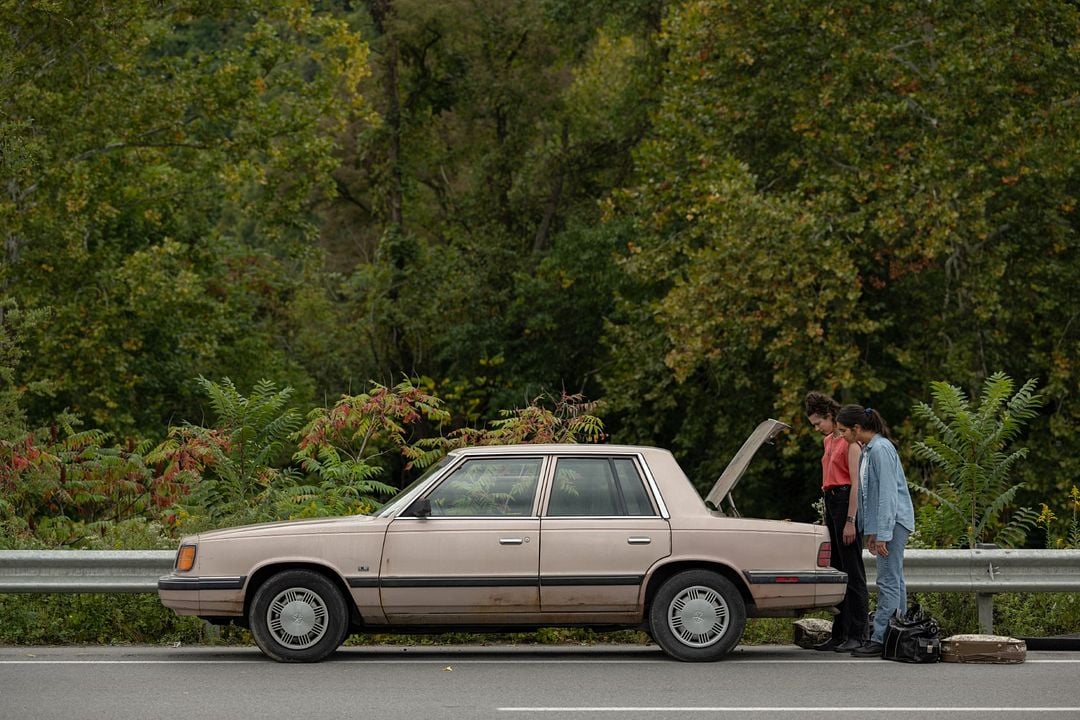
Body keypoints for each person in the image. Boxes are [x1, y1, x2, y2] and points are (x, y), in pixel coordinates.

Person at [835, 404, 915, 658]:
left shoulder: (880, 449)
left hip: (893, 522)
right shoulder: (870, 449)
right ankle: (897, 634)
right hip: (888, 524)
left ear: (857, 428)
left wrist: (883, 533)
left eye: (843, 430)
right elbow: (872, 495)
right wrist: (872, 531)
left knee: (887, 580)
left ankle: (880, 638)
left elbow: (888, 495)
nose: (841, 436)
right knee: (895, 579)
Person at [804, 392, 869, 652]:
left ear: (830, 416)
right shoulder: (828, 441)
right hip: (830, 501)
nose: (817, 428)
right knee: (837, 571)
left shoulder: (850, 443)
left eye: (818, 422)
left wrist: (850, 520)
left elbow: (855, 484)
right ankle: (840, 632)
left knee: (852, 571)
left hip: (845, 501)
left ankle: (858, 633)